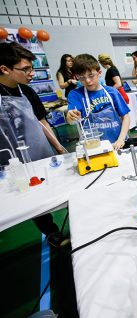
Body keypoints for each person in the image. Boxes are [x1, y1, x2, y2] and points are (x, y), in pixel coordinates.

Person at [0, 42, 69, 248]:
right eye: (25, 69)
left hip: (39, 151)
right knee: (31, 200)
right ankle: (51, 232)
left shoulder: (27, 92)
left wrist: (58, 148)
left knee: (62, 188)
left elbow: (42, 122)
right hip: (10, 160)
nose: (32, 73)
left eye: (32, 68)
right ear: (4, 69)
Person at [66, 54, 130, 150]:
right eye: (82, 77)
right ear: (76, 77)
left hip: (117, 142)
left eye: (91, 76)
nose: (87, 81)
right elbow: (71, 121)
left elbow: (126, 117)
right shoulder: (75, 95)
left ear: (99, 73)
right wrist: (70, 116)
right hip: (93, 146)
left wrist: (121, 139)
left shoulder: (111, 92)